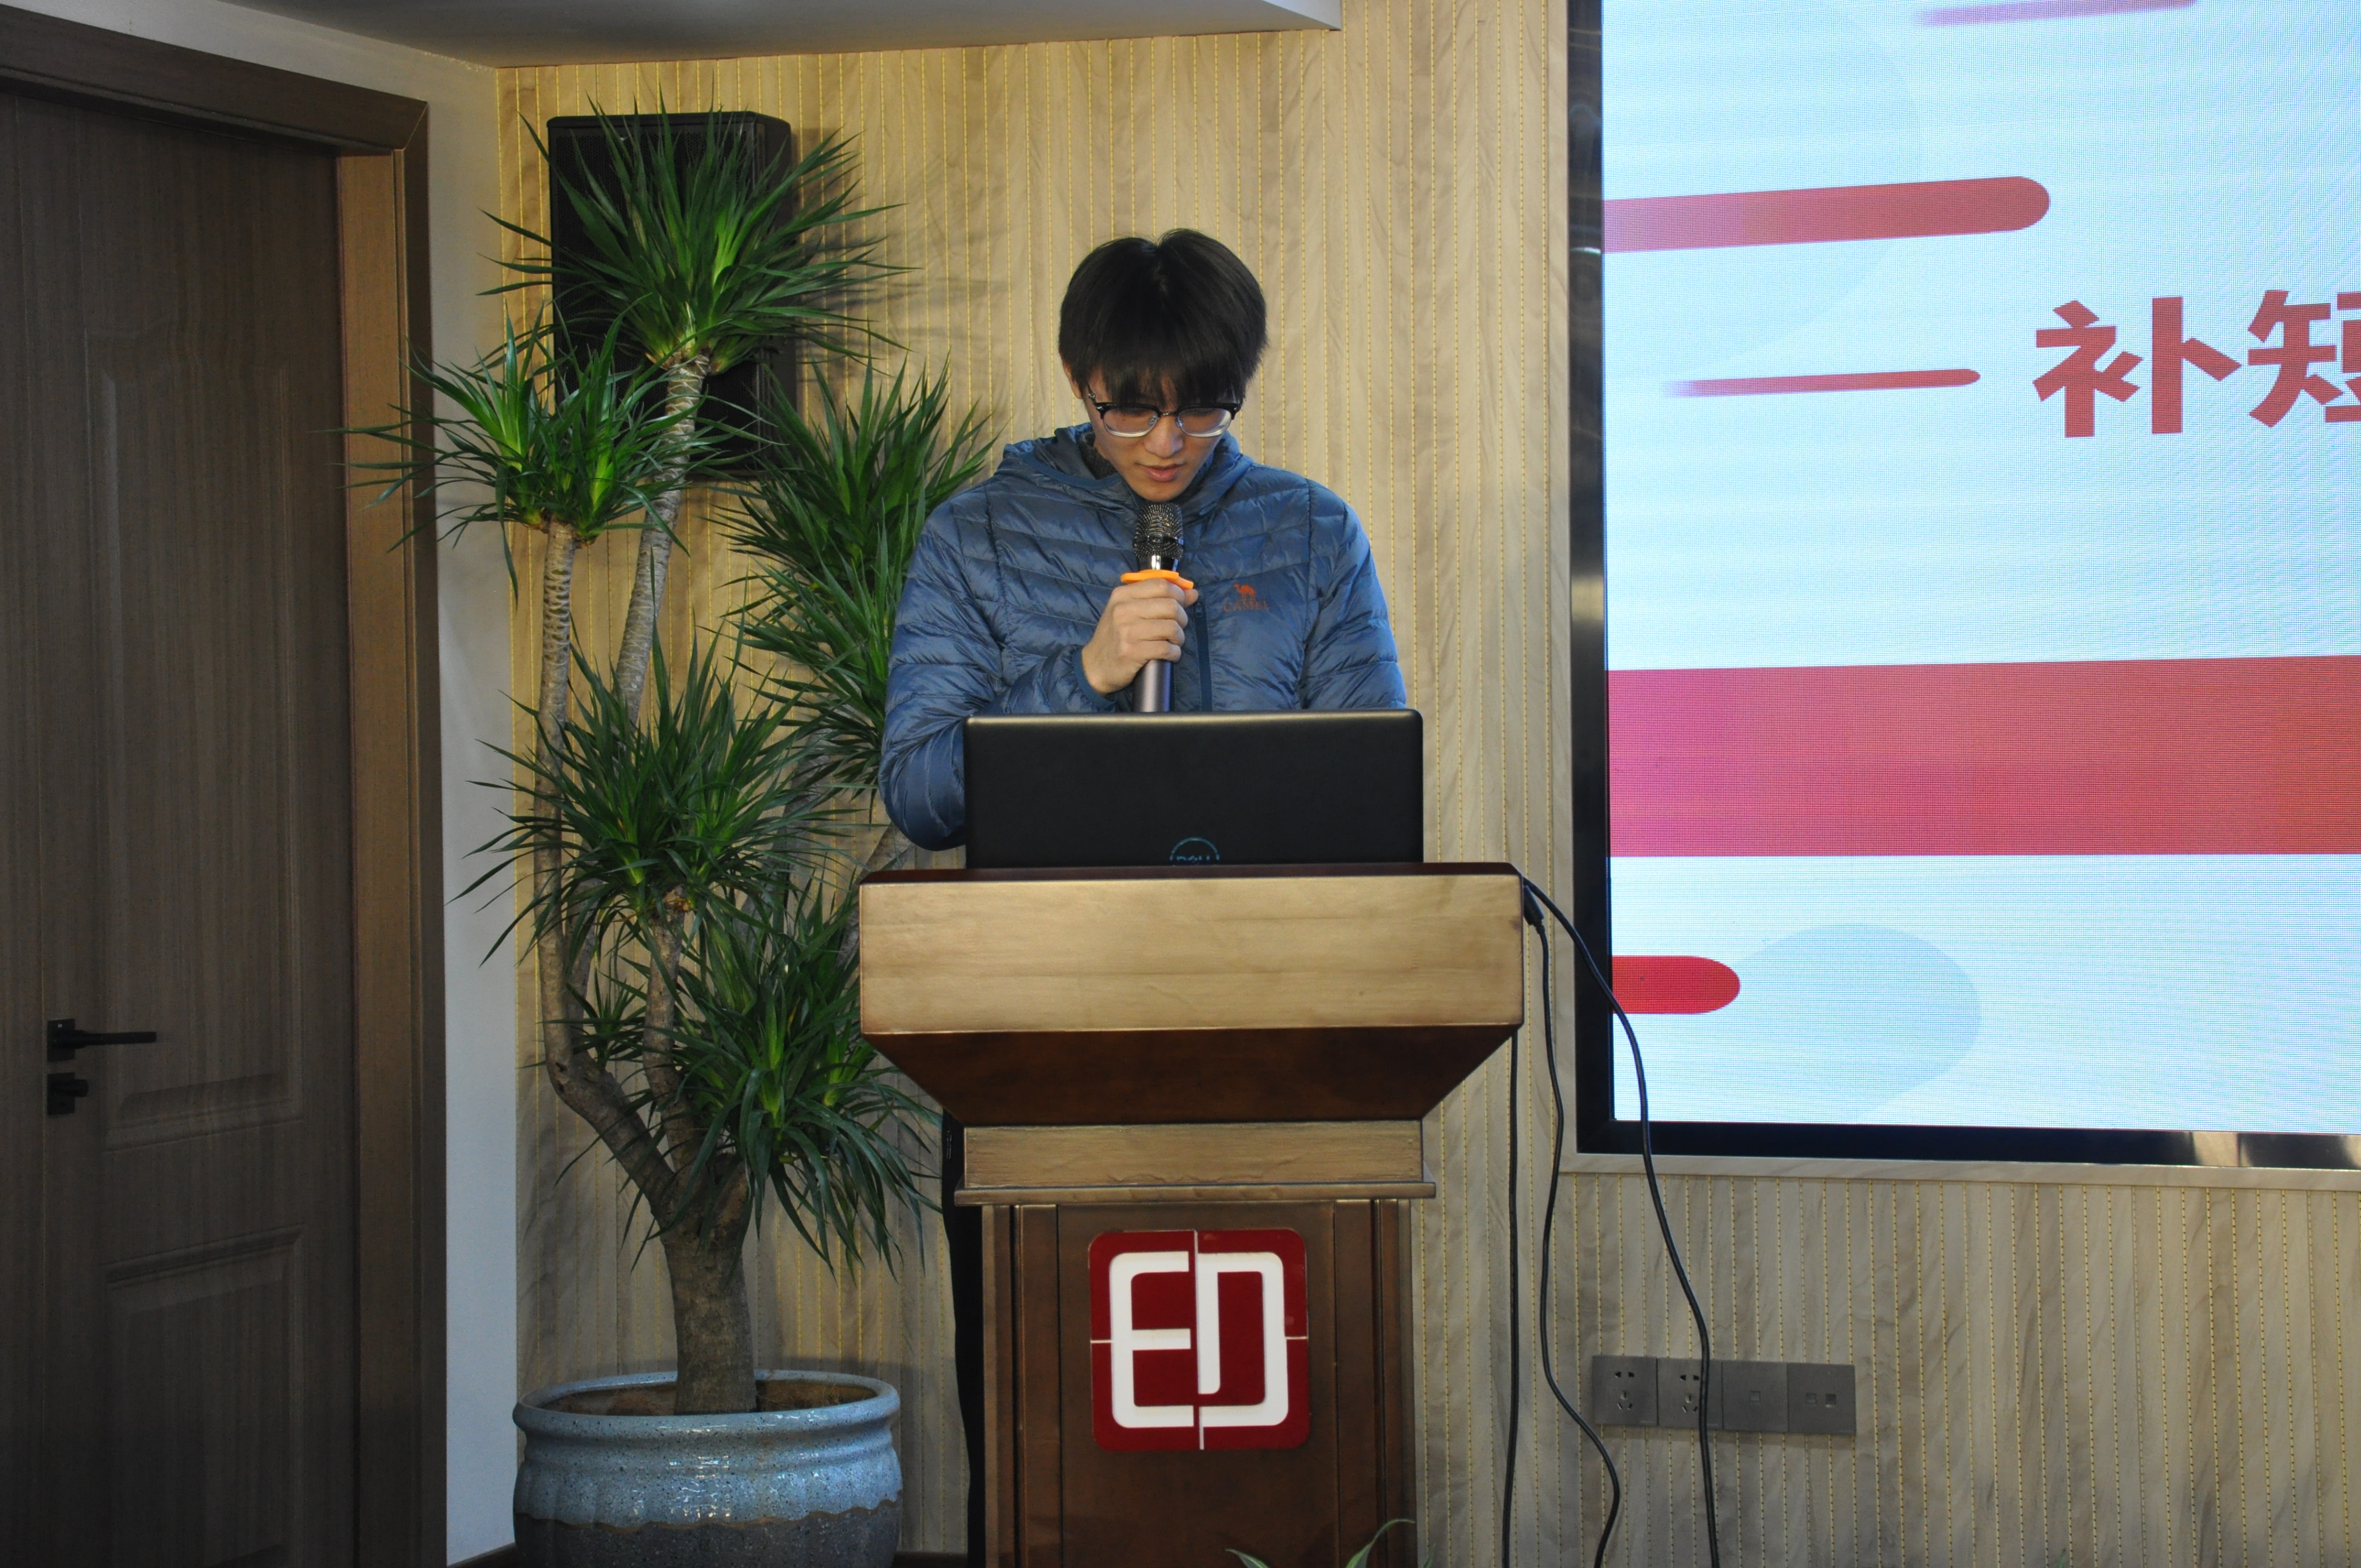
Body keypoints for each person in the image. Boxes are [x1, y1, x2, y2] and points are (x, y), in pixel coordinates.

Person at [879, 228, 1405, 1564]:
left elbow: (1371, 786)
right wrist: (1085, 673)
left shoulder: (1310, 531)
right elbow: (920, 791)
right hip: (1032, 1032)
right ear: (1080, 377)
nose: (1167, 441)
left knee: (1283, 1408)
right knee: (1051, 1423)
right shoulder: (976, 534)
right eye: (1132, 408)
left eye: (1201, 407)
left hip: (1276, 1031)